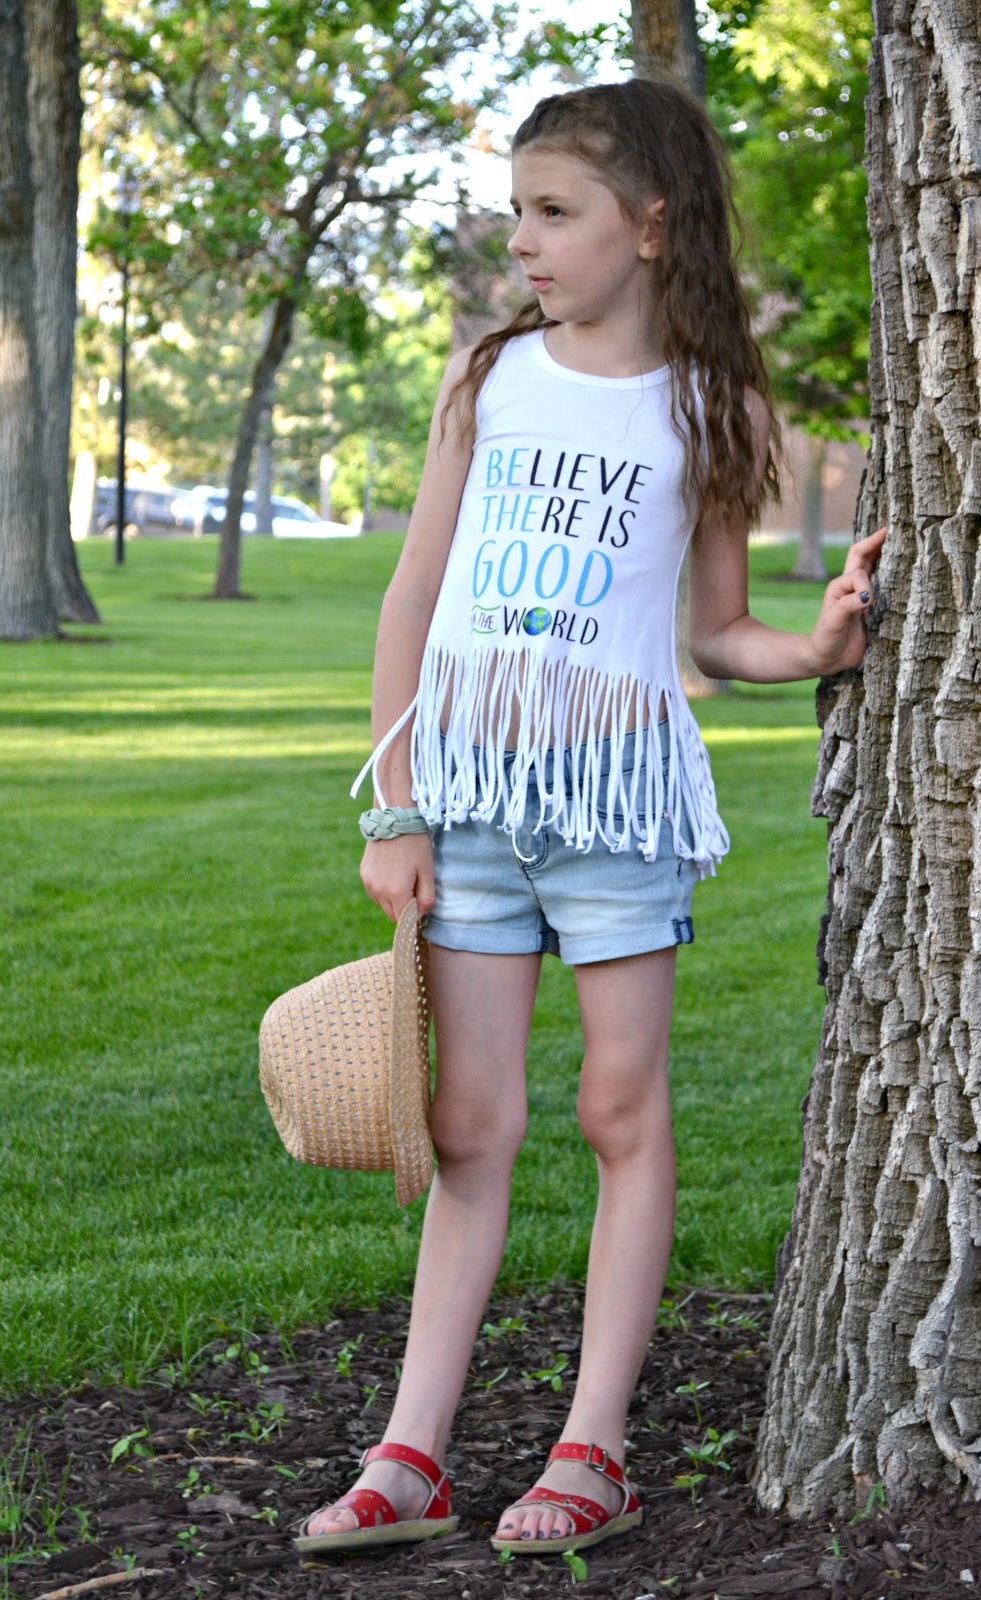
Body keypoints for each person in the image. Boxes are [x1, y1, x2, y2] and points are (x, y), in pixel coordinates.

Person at [296, 77, 884, 1558]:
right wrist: (396, 806)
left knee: (619, 1111)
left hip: (620, 810)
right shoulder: (490, 378)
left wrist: (814, 648)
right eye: (519, 213)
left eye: (556, 213)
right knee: (469, 1124)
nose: (526, 243)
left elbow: (716, 632)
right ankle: (411, 1456)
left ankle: (593, 1449)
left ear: (653, 225)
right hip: (471, 805)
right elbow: (413, 600)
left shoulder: (710, 404)